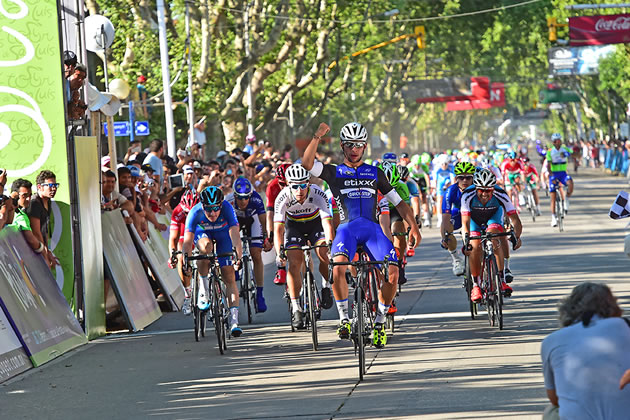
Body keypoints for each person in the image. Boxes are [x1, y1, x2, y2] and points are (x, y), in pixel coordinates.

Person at [302, 122, 421, 349]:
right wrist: (316, 136)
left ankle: (379, 323)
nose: (353, 149)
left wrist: (413, 226)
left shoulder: (375, 173)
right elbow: (307, 164)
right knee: (337, 267)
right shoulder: (334, 172)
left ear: (365, 146)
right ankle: (344, 319)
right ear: (342, 146)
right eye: (349, 145)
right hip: (347, 229)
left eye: (358, 145)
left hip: (372, 230)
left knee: (393, 272)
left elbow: (400, 203)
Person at [541, 282, 630, 419]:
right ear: (613, 307)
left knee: (551, 412)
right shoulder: (625, 327)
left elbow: (555, 399)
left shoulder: (551, 341)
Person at [273, 164, 334, 329]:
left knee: (324, 254)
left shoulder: (318, 193)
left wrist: (330, 244)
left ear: (308, 182)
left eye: (303, 185)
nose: (299, 190)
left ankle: (326, 286)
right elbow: (278, 229)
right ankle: (296, 308)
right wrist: (279, 252)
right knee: (294, 262)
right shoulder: (282, 197)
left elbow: (327, 223)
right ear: (288, 184)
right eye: (294, 186)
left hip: (315, 225)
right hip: (294, 227)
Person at [182, 186, 244, 337]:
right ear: (202, 205)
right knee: (205, 249)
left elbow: (235, 234)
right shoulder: (195, 212)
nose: (213, 213)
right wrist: (186, 262)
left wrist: (238, 256)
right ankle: (204, 291)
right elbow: (187, 241)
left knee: (229, 276)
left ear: (221, 205)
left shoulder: (228, 209)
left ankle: (234, 321)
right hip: (203, 233)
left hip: (223, 235)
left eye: (216, 208)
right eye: (208, 209)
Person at [461, 169, 522, 301]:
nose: (484, 194)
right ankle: (476, 285)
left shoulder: (500, 193)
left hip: (493, 216)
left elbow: (515, 219)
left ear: (493, 189)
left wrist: (517, 236)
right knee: (475, 245)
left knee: (494, 237)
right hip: (474, 220)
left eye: (488, 190)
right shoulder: (467, 195)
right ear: (476, 188)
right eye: (481, 190)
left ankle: (501, 280)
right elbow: (465, 223)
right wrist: (467, 241)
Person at [226, 177, 272, 313]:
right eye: (240, 198)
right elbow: (226, 226)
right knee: (231, 242)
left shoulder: (256, 199)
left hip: (253, 220)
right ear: (234, 196)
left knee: (256, 254)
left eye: (246, 198)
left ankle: (259, 294)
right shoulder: (228, 201)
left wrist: (266, 238)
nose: (243, 201)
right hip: (236, 222)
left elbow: (264, 222)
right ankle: (236, 266)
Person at [378, 161, 411, 285]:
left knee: (398, 230)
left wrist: (409, 230)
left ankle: (399, 262)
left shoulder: (402, 186)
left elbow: (406, 212)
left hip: (394, 209)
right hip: (377, 209)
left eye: (392, 188)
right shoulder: (372, 184)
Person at [440, 161, 475, 276]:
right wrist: (444, 236)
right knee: (447, 226)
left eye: (468, 177)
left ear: (473, 178)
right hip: (458, 214)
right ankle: (456, 260)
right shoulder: (450, 191)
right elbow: (445, 216)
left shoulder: (478, 189)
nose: (465, 180)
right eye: (461, 178)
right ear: (456, 179)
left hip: (474, 213)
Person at [168, 189, 199, 315]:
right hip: (184, 233)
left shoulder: (205, 209)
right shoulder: (178, 211)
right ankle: (188, 294)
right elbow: (173, 238)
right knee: (181, 255)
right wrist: (172, 255)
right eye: (187, 212)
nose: (189, 214)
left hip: (200, 230)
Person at [27, 170, 60, 269]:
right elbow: (36, 232)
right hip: (32, 250)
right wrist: (45, 256)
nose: (53, 188)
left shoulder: (48, 201)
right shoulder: (34, 203)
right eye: (50, 185)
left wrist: (48, 252)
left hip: (40, 247)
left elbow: (44, 231)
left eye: (55, 185)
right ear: (39, 187)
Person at [265, 162, 292, 285]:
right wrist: (270, 234)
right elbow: (270, 214)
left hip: (296, 214)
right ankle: (281, 268)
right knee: (277, 233)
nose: (285, 186)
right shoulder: (272, 187)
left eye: (288, 183)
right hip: (280, 214)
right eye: (282, 183)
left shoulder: (299, 184)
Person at [546, 133, 574, 227]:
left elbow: (572, 152)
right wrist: (551, 175)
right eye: (556, 141)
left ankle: (566, 199)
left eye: (559, 140)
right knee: (553, 196)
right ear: (553, 142)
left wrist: (567, 153)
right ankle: (553, 217)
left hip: (563, 173)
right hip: (554, 174)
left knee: (570, 183)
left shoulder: (564, 148)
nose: (558, 142)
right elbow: (548, 165)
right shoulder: (550, 151)